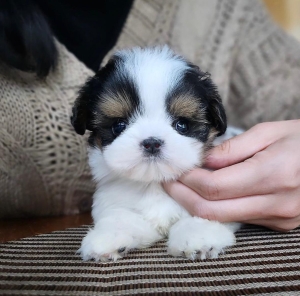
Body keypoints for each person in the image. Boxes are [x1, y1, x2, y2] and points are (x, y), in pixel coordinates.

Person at [1, 0, 300, 228]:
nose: (152, 141)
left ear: (215, 122)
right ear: (86, 123)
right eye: (119, 124)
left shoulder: (227, 9)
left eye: (182, 124)